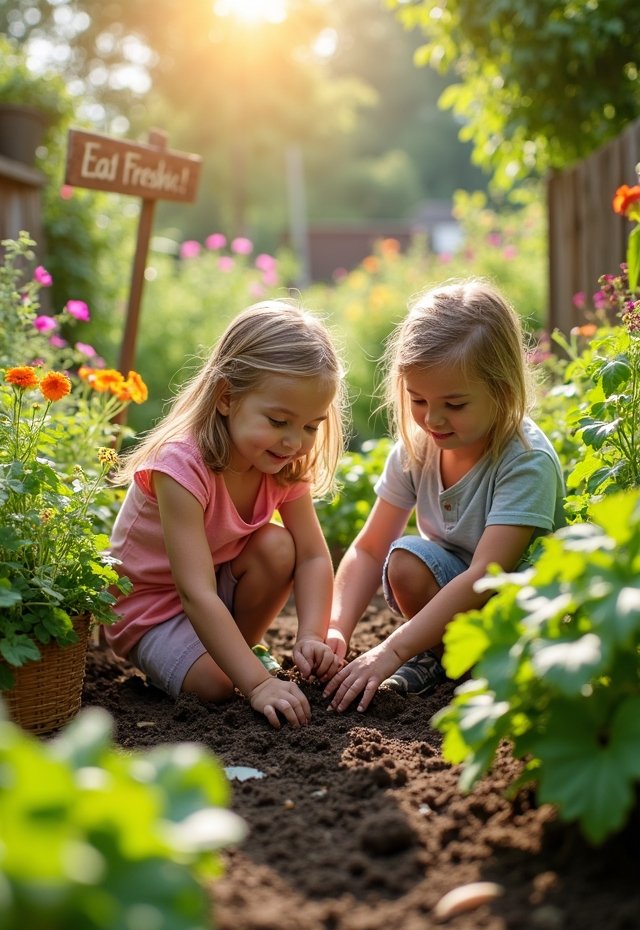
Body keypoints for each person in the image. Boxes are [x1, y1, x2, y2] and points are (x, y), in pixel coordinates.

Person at [323, 278, 565, 714]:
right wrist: (337, 629)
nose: (433, 419)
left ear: (503, 391)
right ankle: (443, 659)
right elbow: (370, 546)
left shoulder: (526, 462)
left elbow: (484, 575)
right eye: (418, 400)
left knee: (425, 569)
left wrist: (392, 650)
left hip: (515, 610)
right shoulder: (418, 449)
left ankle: (467, 664)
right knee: (407, 562)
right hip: (449, 604)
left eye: (454, 404)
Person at [105, 300, 347, 730]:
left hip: (213, 588)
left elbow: (311, 555)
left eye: (311, 426)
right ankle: (231, 664)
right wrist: (257, 686)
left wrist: (311, 634)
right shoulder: (181, 466)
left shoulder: (281, 462)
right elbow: (194, 592)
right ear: (225, 398)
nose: (295, 441)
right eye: (279, 421)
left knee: (277, 546)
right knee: (219, 687)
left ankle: (237, 651)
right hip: (151, 609)